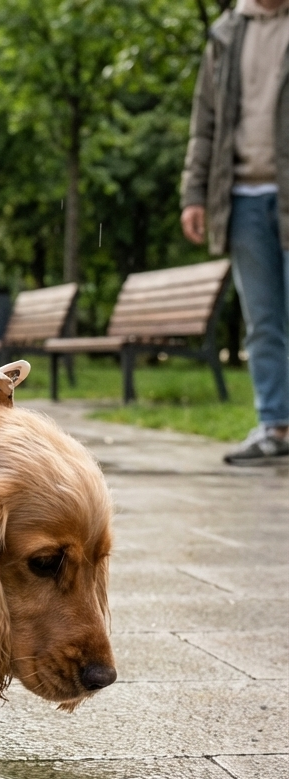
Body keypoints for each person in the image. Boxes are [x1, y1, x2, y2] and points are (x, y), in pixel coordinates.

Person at [181, 0, 289, 464]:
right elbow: (204, 123)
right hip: (242, 196)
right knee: (263, 321)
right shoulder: (226, 33)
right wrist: (194, 193)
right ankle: (275, 427)